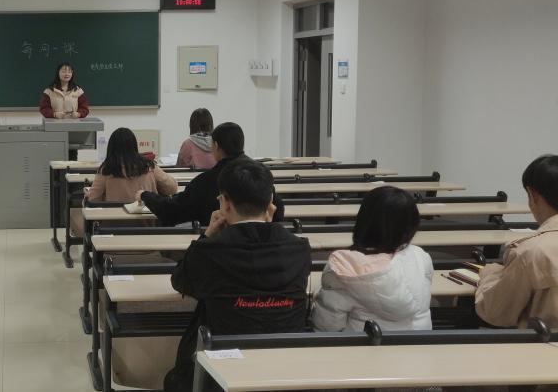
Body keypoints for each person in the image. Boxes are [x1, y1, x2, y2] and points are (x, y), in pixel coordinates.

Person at [163, 159, 311, 392]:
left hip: (223, 367)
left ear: (225, 204)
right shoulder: (300, 249)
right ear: (270, 203)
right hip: (285, 364)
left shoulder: (210, 250)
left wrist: (207, 236)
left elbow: (180, 281)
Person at [311, 186, 433, 332]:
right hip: (421, 342)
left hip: (365, 345)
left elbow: (328, 328)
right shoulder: (421, 256)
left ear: (364, 219)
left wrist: (319, 293)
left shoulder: (345, 268)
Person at [139, 122, 284, 226]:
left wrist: (146, 196)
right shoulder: (260, 174)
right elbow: (277, 210)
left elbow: (171, 211)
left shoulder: (205, 181)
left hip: (218, 247)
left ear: (215, 146)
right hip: (261, 244)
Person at [475, 155, 558, 328]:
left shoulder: (530, 252)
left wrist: (489, 276)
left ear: (533, 195)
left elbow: (496, 313)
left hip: (542, 344)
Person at [86, 128, 177, 202]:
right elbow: (172, 188)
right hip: (147, 217)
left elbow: (92, 199)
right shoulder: (148, 166)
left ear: (111, 148)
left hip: (114, 218)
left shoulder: (106, 170)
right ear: (134, 146)